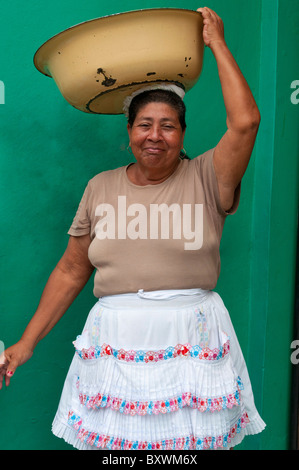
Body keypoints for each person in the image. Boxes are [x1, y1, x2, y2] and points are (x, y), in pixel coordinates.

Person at [0, 7, 266, 449]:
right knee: (119, 453)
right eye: (145, 124)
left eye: (168, 126)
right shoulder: (100, 187)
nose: (154, 135)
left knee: (186, 451)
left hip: (190, 335)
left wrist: (216, 42)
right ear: (129, 132)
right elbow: (71, 270)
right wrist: (27, 341)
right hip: (116, 340)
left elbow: (246, 122)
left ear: (183, 133)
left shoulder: (209, 176)